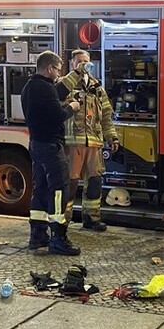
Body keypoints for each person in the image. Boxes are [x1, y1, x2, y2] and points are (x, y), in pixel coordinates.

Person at [21, 51, 82, 256]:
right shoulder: (46, 88)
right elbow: (57, 116)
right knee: (59, 189)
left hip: (36, 144)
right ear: (49, 68)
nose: (58, 73)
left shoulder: (29, 87)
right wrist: (72, 107)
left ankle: (37, 235)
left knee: (40, 188)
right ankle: (59, 237)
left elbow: (44, 112)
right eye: (57, 69)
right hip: (50, 145)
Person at [56, 49, 120, 232]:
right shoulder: (65, 83)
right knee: (70, 183)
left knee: (94, 181)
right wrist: (76, 73)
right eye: (79, 61)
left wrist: (111, 137)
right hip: (71, 142)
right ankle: (63, 221)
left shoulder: (96, 87)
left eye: (86, 61)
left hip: (94, 143)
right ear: (71, 64)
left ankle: (91, 218)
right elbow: (58, 96)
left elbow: (106, 115)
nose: (83, 64)